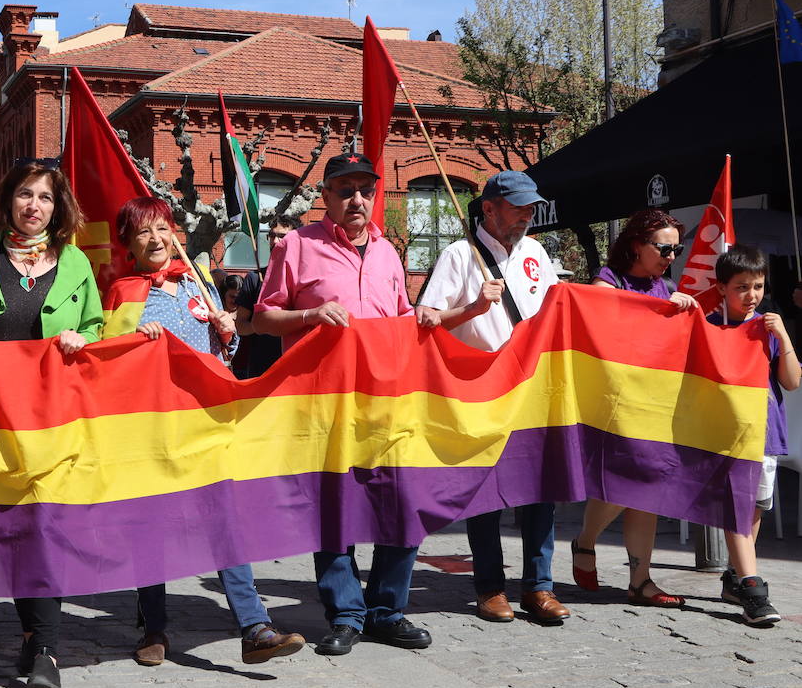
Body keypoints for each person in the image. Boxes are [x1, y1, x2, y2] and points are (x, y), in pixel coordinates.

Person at [103, 196, 306, 668]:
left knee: (224, 521)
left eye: (162, 229)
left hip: (207, 423)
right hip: (153, 426)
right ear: (129, 243)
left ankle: (254, 627)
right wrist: (134, 342)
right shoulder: (122, 292)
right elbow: (107, 365)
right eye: (143, 232)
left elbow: (224, 362)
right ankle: (153, 628)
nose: (155, 240)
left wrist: (227, 333)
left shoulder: (200, 284)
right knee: (151, 525)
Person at [255, 152, 432, 656]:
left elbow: (401, 321)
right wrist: (310, 314)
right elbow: (263, 318)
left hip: (386, 402)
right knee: (334, 508)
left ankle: (388, 612)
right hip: (323, 402)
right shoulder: (296, 245)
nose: (358, 199)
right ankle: (346, 614)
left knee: (400, 505)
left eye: (365, 190)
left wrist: (423, 316)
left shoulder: (388, 253)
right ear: (325, 197)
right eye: (346, 189)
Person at [0, 158, 103, 688]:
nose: (35, 206)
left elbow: (97, 326)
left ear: (59, 208)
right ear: (8, 200)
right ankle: (34, 639)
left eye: (47, 198)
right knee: (17, 530)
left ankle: (46, 652)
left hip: (56, 418)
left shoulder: (75, 262)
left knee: (46, 527)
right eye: (26, 195)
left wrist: (84, 337)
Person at [415, 171, 568, 625]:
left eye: (530, 206)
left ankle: (539, 586)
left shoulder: (536, 252)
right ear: (489, 208)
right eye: (518, 206)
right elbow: (425, 318)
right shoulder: (459, 255)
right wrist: (476, 308)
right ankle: (490, 586)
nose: (527, 214)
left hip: (533, 388)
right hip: (482, 390)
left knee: (541, 491)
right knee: (486, 495)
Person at [571, 209, 697, 607]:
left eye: (676, 248)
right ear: (637, 244)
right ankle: (585, 540)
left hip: (656, 401)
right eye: (664, 247)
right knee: (625, 482)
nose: (671, 256)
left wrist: (686, 312)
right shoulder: (608, 282)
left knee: (647, 488)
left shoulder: (668, 288)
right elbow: (600, 324)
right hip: (618, 401)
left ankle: (640, 580)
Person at [708, 245, 798, 625]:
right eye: (742, 287)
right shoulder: (710, 324)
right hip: (726, 434)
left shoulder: (768, 327)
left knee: (756, 507)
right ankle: (751, 585)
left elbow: (791, 382)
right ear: (722, 289)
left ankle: (733, 575)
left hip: (764, 432)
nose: (751, 295)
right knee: (739, 507)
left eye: (758, 286)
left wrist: (785, 337)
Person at [233, 215, 301, 379]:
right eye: (272, 235)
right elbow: (240, 325)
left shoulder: (306, 278)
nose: (275, 241)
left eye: (282, 236)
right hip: (260, 370)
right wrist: (261, 325)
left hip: (296, 368)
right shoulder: (255, 278)